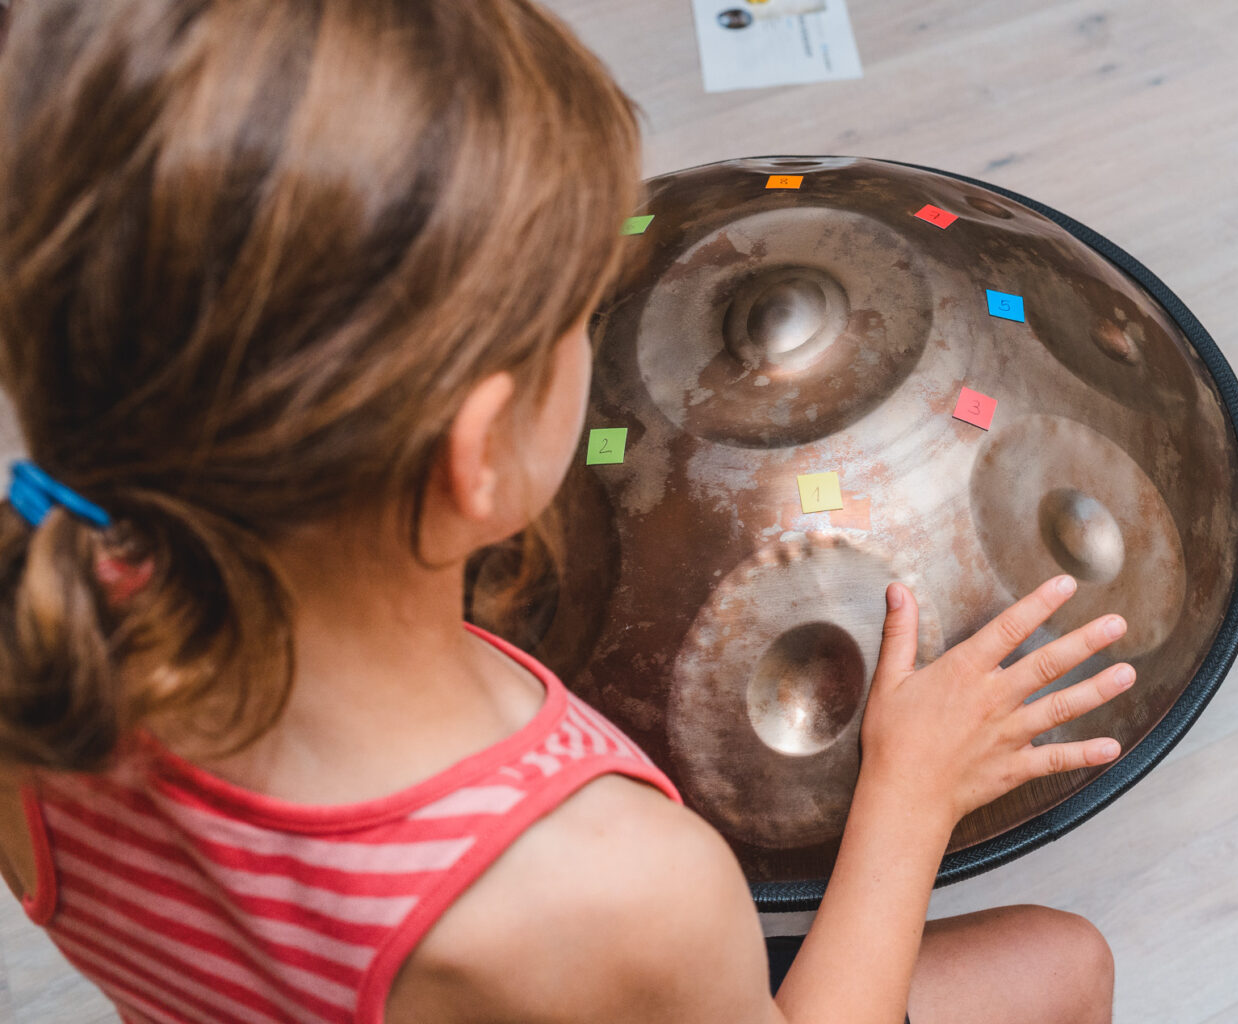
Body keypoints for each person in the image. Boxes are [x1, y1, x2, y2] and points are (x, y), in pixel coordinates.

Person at [0, 2, 1131, 1021]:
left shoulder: (29, 637)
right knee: (1061, 960)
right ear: (476, 457)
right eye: (578, 323)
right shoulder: (600, 887)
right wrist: (906, 796)